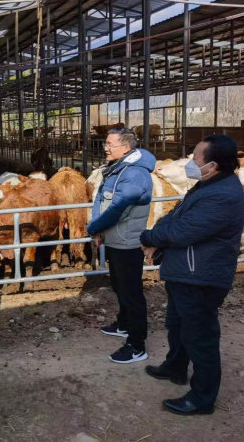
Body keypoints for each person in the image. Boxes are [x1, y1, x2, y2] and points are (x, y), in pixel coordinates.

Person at [140, 135, 244, 416]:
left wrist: (149, 237)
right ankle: (175, 367)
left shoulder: (223, 195)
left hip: (201, 277)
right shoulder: (207, 184)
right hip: (186, 272)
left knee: (200, 337)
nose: (190, 161)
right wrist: (157, 236)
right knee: (177, 325)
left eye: (195, 157)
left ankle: (202, 398)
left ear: (212, 165)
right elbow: (177, 216)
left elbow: (182, 231)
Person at [86, 128, 155, 364]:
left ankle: (137, 345)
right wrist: (96, 224)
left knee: (131, 293)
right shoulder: (117, 168)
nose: (105, 147)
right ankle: (124, 324)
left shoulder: (134, 174)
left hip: (127, 242)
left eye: (110, 144)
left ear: (126, 148)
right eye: (105, 143)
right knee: (118, 284)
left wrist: (94, 228)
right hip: (114, 238)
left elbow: (119, 209)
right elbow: (100, 198)